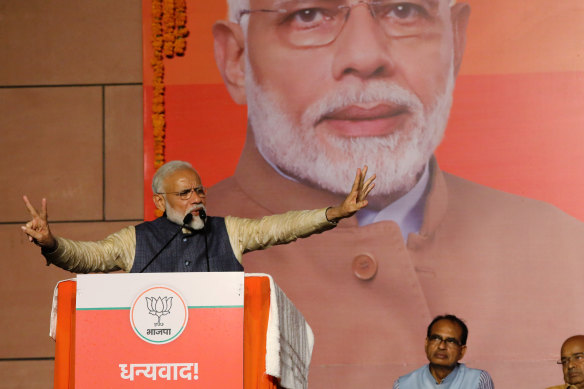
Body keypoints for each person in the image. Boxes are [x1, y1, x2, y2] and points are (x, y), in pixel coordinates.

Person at [207, 0, 584, 386]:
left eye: (403, 11)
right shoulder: (188, 256)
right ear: (237, 58)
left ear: (455, 39)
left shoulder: (566, 251)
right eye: (309, 15)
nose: (365, 56)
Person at [21, 160, 375, 273]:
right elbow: (89, 258)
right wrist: (52, 244)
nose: (196, 199)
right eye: (185, 193)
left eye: (199, 191)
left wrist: (336, 213)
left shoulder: (229, 231)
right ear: (160, 201)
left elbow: (279, 227)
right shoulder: (135, 240)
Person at [393, 315, 493, 388]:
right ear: (427, 343)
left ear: (462, 351)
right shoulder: (403, 385)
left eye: (451, 341)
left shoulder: (478, 381)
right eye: (436, 338)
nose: (441, 346)